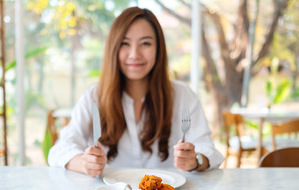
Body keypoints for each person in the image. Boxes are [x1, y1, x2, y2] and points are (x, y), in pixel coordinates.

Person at [48, 7, 224, 177]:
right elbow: (60, 149)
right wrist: (85, 163)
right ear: (113, 49)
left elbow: (208, 149)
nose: (134, 54)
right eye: (125, 43)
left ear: (158, 49)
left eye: (145, 43)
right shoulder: (94, 96)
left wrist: (195, 160)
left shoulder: (182, 95)